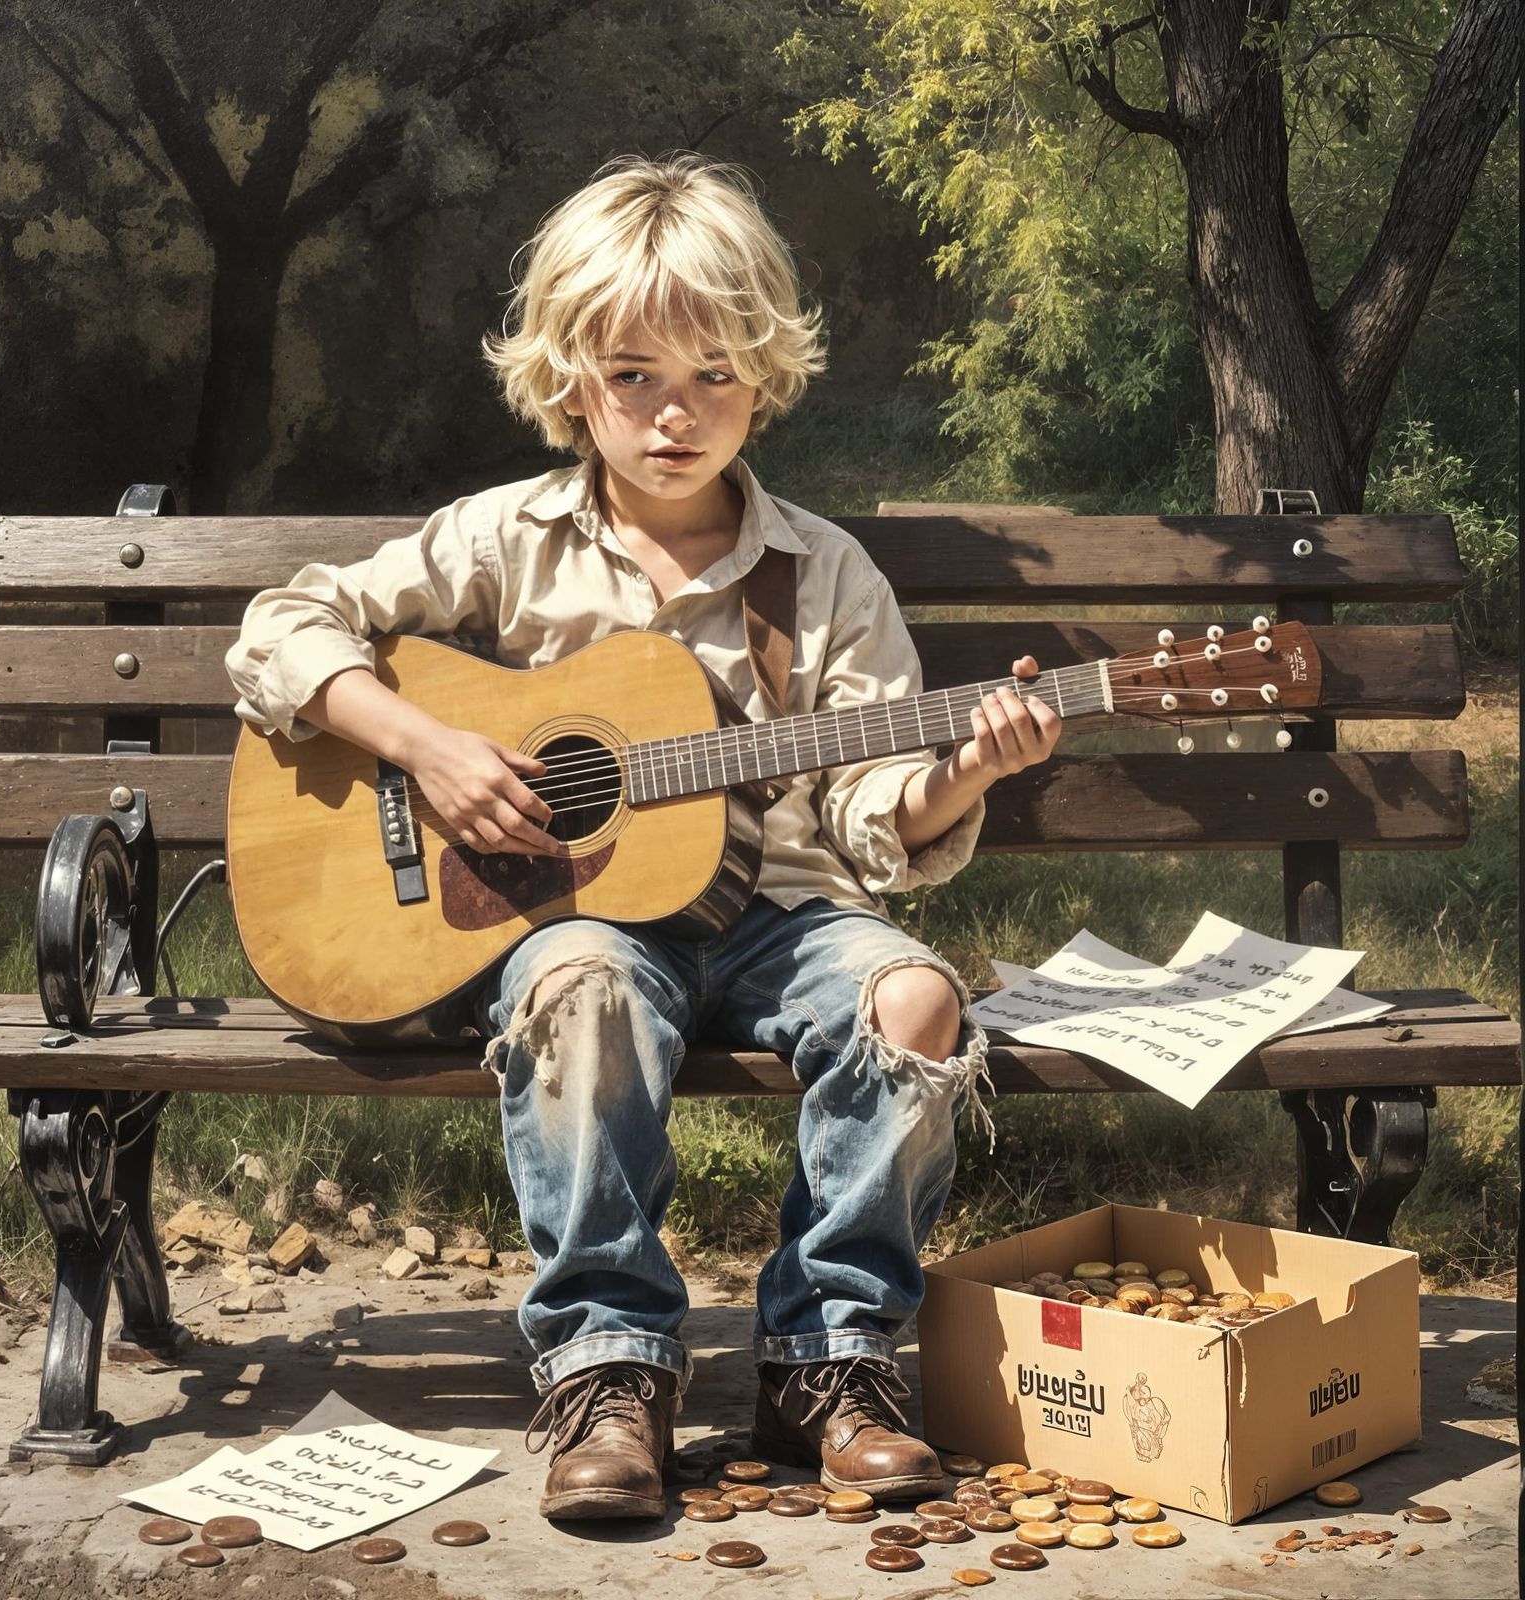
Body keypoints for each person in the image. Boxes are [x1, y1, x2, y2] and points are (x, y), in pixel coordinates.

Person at [226, 152, 1060, 1522]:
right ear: (570, 380)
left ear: (767, 377)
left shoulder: (821, 573)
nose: (677, 415)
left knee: (915, 994)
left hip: (780, 920)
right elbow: (284, 627)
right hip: (577, 920)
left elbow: (871, 818)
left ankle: (827, 1360)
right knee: (584, 985)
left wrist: (961, 774)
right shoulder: (506, 539)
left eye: (715, 376)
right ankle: (609, 1371)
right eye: (635, 377)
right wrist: (426, 744)